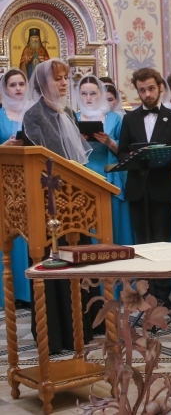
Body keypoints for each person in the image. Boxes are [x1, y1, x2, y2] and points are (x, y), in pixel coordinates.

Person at [22, 59, 100, 353]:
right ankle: (57, 332)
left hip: (73, 200)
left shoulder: (67, 111)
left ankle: (83, 325)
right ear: (43, 83)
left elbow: (76, 156)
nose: (64, 83)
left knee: (76, 257)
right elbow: (40, 158)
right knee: (54, 260)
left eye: (66, 78)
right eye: (57, 78)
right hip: (48, 202)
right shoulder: (33, 115)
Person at [117, 68, 171, 310]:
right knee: (143, 243)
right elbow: (121, 152)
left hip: (162, 186)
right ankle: (145, 293)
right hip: (138, 188)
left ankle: (163, 295)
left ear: (160, 88)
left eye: (151, 89)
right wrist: (135, 157)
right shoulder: (129, 119)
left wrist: (159, 157)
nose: (147, 94)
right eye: (142, 90)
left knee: (162, 243)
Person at [75, 76, 135, 247]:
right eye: (84, 93)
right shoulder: (74, 118)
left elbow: (124, 151)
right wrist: (78, 141)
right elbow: (65, 150)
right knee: (88, 221)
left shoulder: (114, 118)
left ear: (100, 94)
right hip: (82, 174)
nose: (88, 98)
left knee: (112, 220)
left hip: (109, 174)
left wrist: (108, 141)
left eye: (93, 93)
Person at [0, 69, 33, 308]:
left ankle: (32, 291)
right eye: (13, 85)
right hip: (6, 183)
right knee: (10, 234)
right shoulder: (0, 115)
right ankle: (12, 293)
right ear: (5, 88)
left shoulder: (34, 113)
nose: (18, 88)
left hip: (31, 180)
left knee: (31, 234)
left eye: (22, 83)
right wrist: (5, 145)